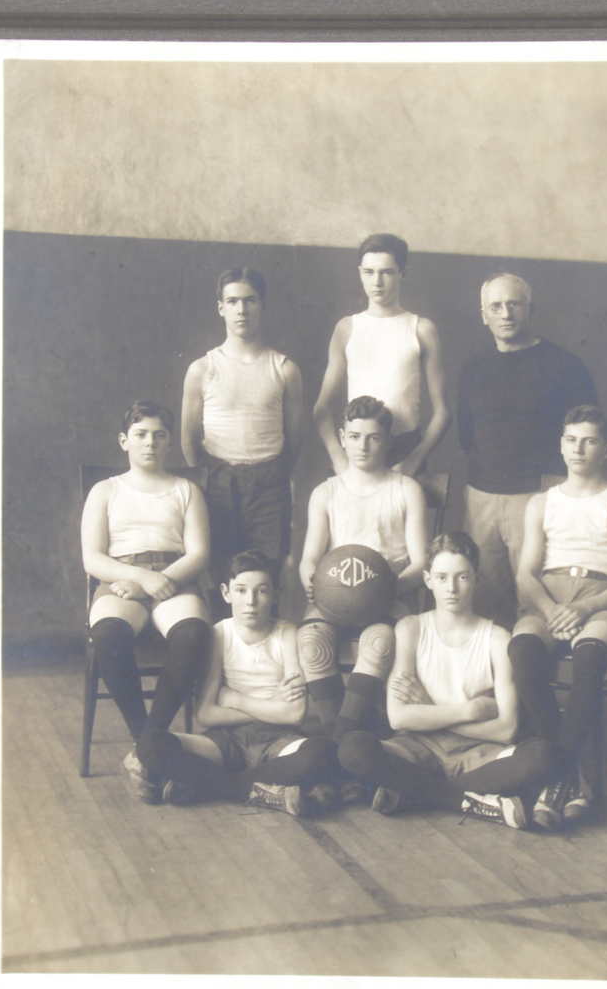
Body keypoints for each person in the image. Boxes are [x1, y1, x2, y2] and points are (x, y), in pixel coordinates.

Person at [336, 532, 560, 829]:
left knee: (541, 755)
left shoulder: (497, 638)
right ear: (428, 579)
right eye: (442, 578)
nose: (451, 588)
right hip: (418, 748)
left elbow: (507, 730)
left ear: (477, 578)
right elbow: (399, 717)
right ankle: (468, 801)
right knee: (353, 748)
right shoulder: (411, 628)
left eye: (462, 577)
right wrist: (471, 710)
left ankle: (415, 794)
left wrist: (429, 709)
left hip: (477, 751)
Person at [507, 406, 607, 829]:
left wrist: (584, 608)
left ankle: (555, 776)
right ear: (561, 444)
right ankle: (569, 774)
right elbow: (526, 574)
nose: (578, 449)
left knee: (589, 656)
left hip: (603, 598)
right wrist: (552, 609)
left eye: (589, 441)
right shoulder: (541, 503)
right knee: (522, 650)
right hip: (549, 595)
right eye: (570, 440)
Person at [80, 400, 214, 804]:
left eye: (159, 435)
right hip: (121, 579)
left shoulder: (186, 490)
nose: (150, 443)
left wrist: (159, 581)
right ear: (124, 441)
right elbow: (92, 558)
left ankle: (148, 746)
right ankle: (146, 740)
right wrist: (140, 580)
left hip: (175, 578)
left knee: (193, 633)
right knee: (107, 634)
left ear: (170, 442)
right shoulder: (106, 490)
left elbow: (199, 554)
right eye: (140, 435)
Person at [142, 550, 339, 817]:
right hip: (227, 739)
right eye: (241, 590)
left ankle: (212, 786)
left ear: (275, 595)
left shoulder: (287, 633)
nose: (251, 601)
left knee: (321, 752)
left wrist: (235, 699)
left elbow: (294, 715)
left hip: (278, 738)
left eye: (261, 591)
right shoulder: (219, 633)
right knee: (150, 744)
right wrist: (272, 705)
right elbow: (205, 714)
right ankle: (262, 790)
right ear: (226, 593)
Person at [456, 272, 598, 625]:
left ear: (530, 309)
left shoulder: (565, 366)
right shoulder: (473, 368)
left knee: (537, 606)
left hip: (539, 495)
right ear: (483, 315)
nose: (505, 314)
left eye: (514, 305)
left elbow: (586, 434)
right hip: (482, 498)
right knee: (486, 604)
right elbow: (466, 433)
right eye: (496, 307)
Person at [297, 396, 429, 740]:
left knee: (379, 643)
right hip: (335, 590)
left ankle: (341, 741)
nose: (363, 446)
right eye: (355, 437)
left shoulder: (406, 489)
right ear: (342, 438)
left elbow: (421, 563)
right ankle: (350, 739)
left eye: (373, 438)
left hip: (390, 591)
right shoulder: (325, 492)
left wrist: (389, 588)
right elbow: (310, 558)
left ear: (388, 442)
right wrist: (311, 581)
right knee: (310, 643)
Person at [181, 267, 306, 602]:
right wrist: (208, 478)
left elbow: (295, 438)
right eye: (233, 301)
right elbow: (189, 439)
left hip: (269, 485)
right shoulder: (202, 369)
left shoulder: (284, 368)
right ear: (220, 307)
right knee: (219, 576)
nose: (242, 309)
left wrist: (270, 473)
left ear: (262, 304)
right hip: (216, 481)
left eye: (250, 300)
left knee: (266, 581)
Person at [312, 234, 451, 475]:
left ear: (403, 273)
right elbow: (321, 408)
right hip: (358, 449)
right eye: (369, 272)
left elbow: (443, 412)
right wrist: (338, 458)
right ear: (360, 273)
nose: (377, 282)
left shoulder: (421, 329)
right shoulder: (347, 328)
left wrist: (413, 461)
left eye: (387, 272)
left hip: (405, 450)